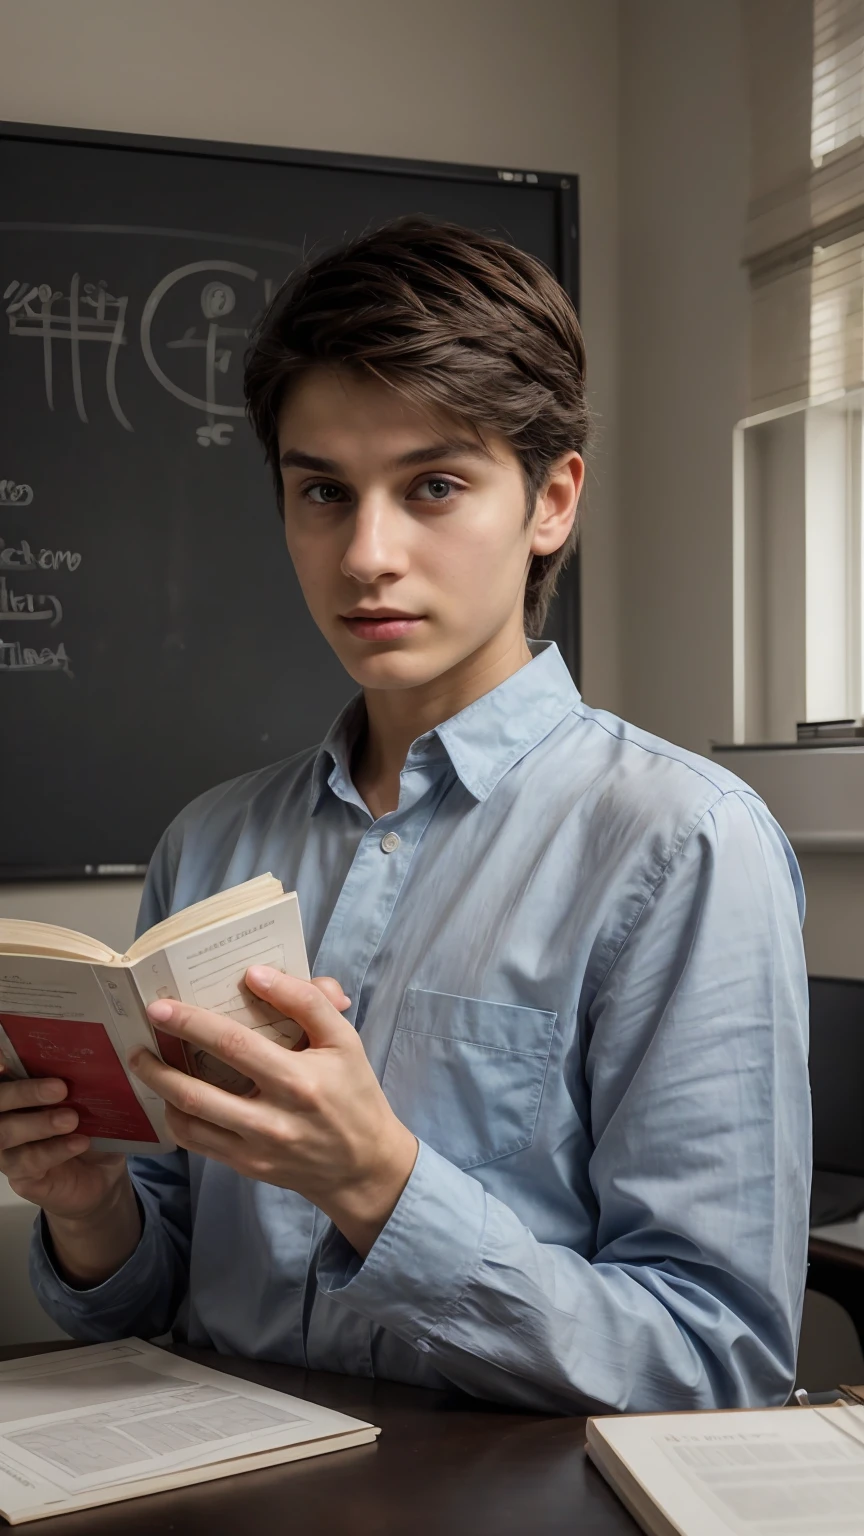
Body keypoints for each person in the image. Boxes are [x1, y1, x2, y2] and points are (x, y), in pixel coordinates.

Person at [0, 219, 810, 1415]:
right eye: (323, 491)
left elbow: (717, 1360)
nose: (366, 554)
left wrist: (380, 1185)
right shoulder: (210, 844)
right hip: (213, 1480)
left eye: (434, 485)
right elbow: (149, 1298)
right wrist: (87, 1209)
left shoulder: (684, 845)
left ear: (552, 500)